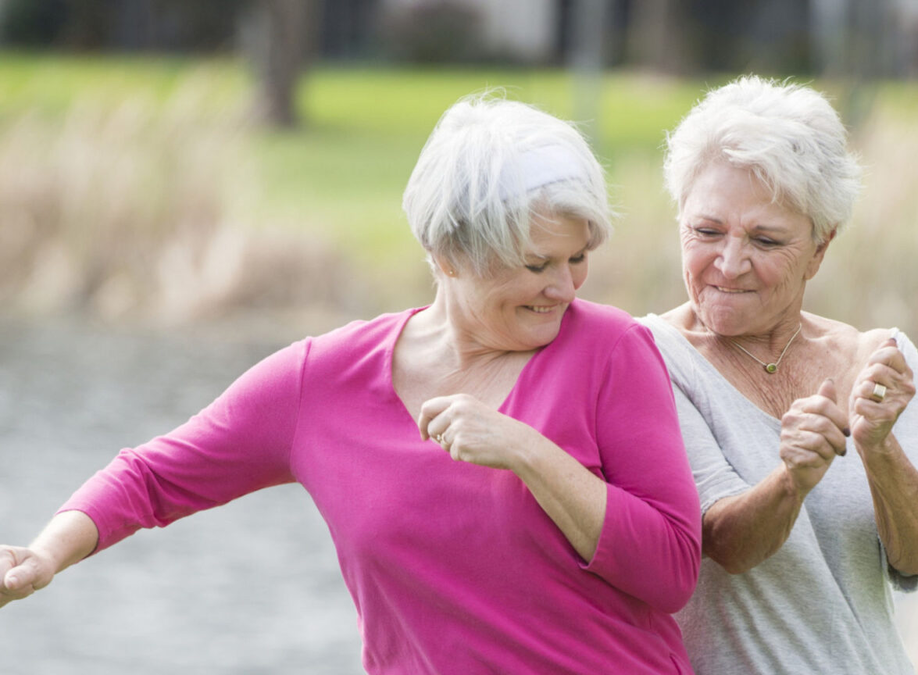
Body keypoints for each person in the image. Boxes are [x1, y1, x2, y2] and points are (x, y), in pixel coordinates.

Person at [0, 95, 702, 674]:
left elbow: (673, 570)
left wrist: (530, 452)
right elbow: (152, 476)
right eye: (535, 263)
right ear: (449, 253)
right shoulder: (321, 382)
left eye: (578, 257)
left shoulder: (611, 350)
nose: (565, 285)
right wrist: (47, 552)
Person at [638, 76, 918, 674]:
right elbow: (722, 543)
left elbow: (917, 561)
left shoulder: (879, 359)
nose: (728, 264)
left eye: (766, 239)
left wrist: (878, 448)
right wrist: (792, 479)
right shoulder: (646, 354)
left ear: (820, 247)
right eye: (706, 231)